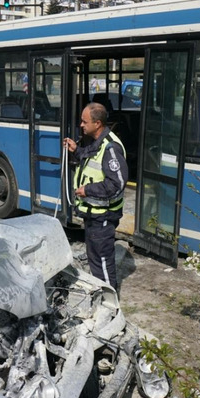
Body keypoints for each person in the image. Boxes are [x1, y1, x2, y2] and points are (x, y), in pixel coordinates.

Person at [64, 101, 129, 290]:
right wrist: (76, 150)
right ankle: (101, 297)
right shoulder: (97, 143)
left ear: (97, 123)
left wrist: (87, 190)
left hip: (104, 216)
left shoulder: (111, 148)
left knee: (102, 261)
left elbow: (116, 184)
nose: (81, 125)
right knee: (94, 259)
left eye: (84, 122)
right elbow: (89, 157)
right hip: (93, 214)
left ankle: (110, 302)